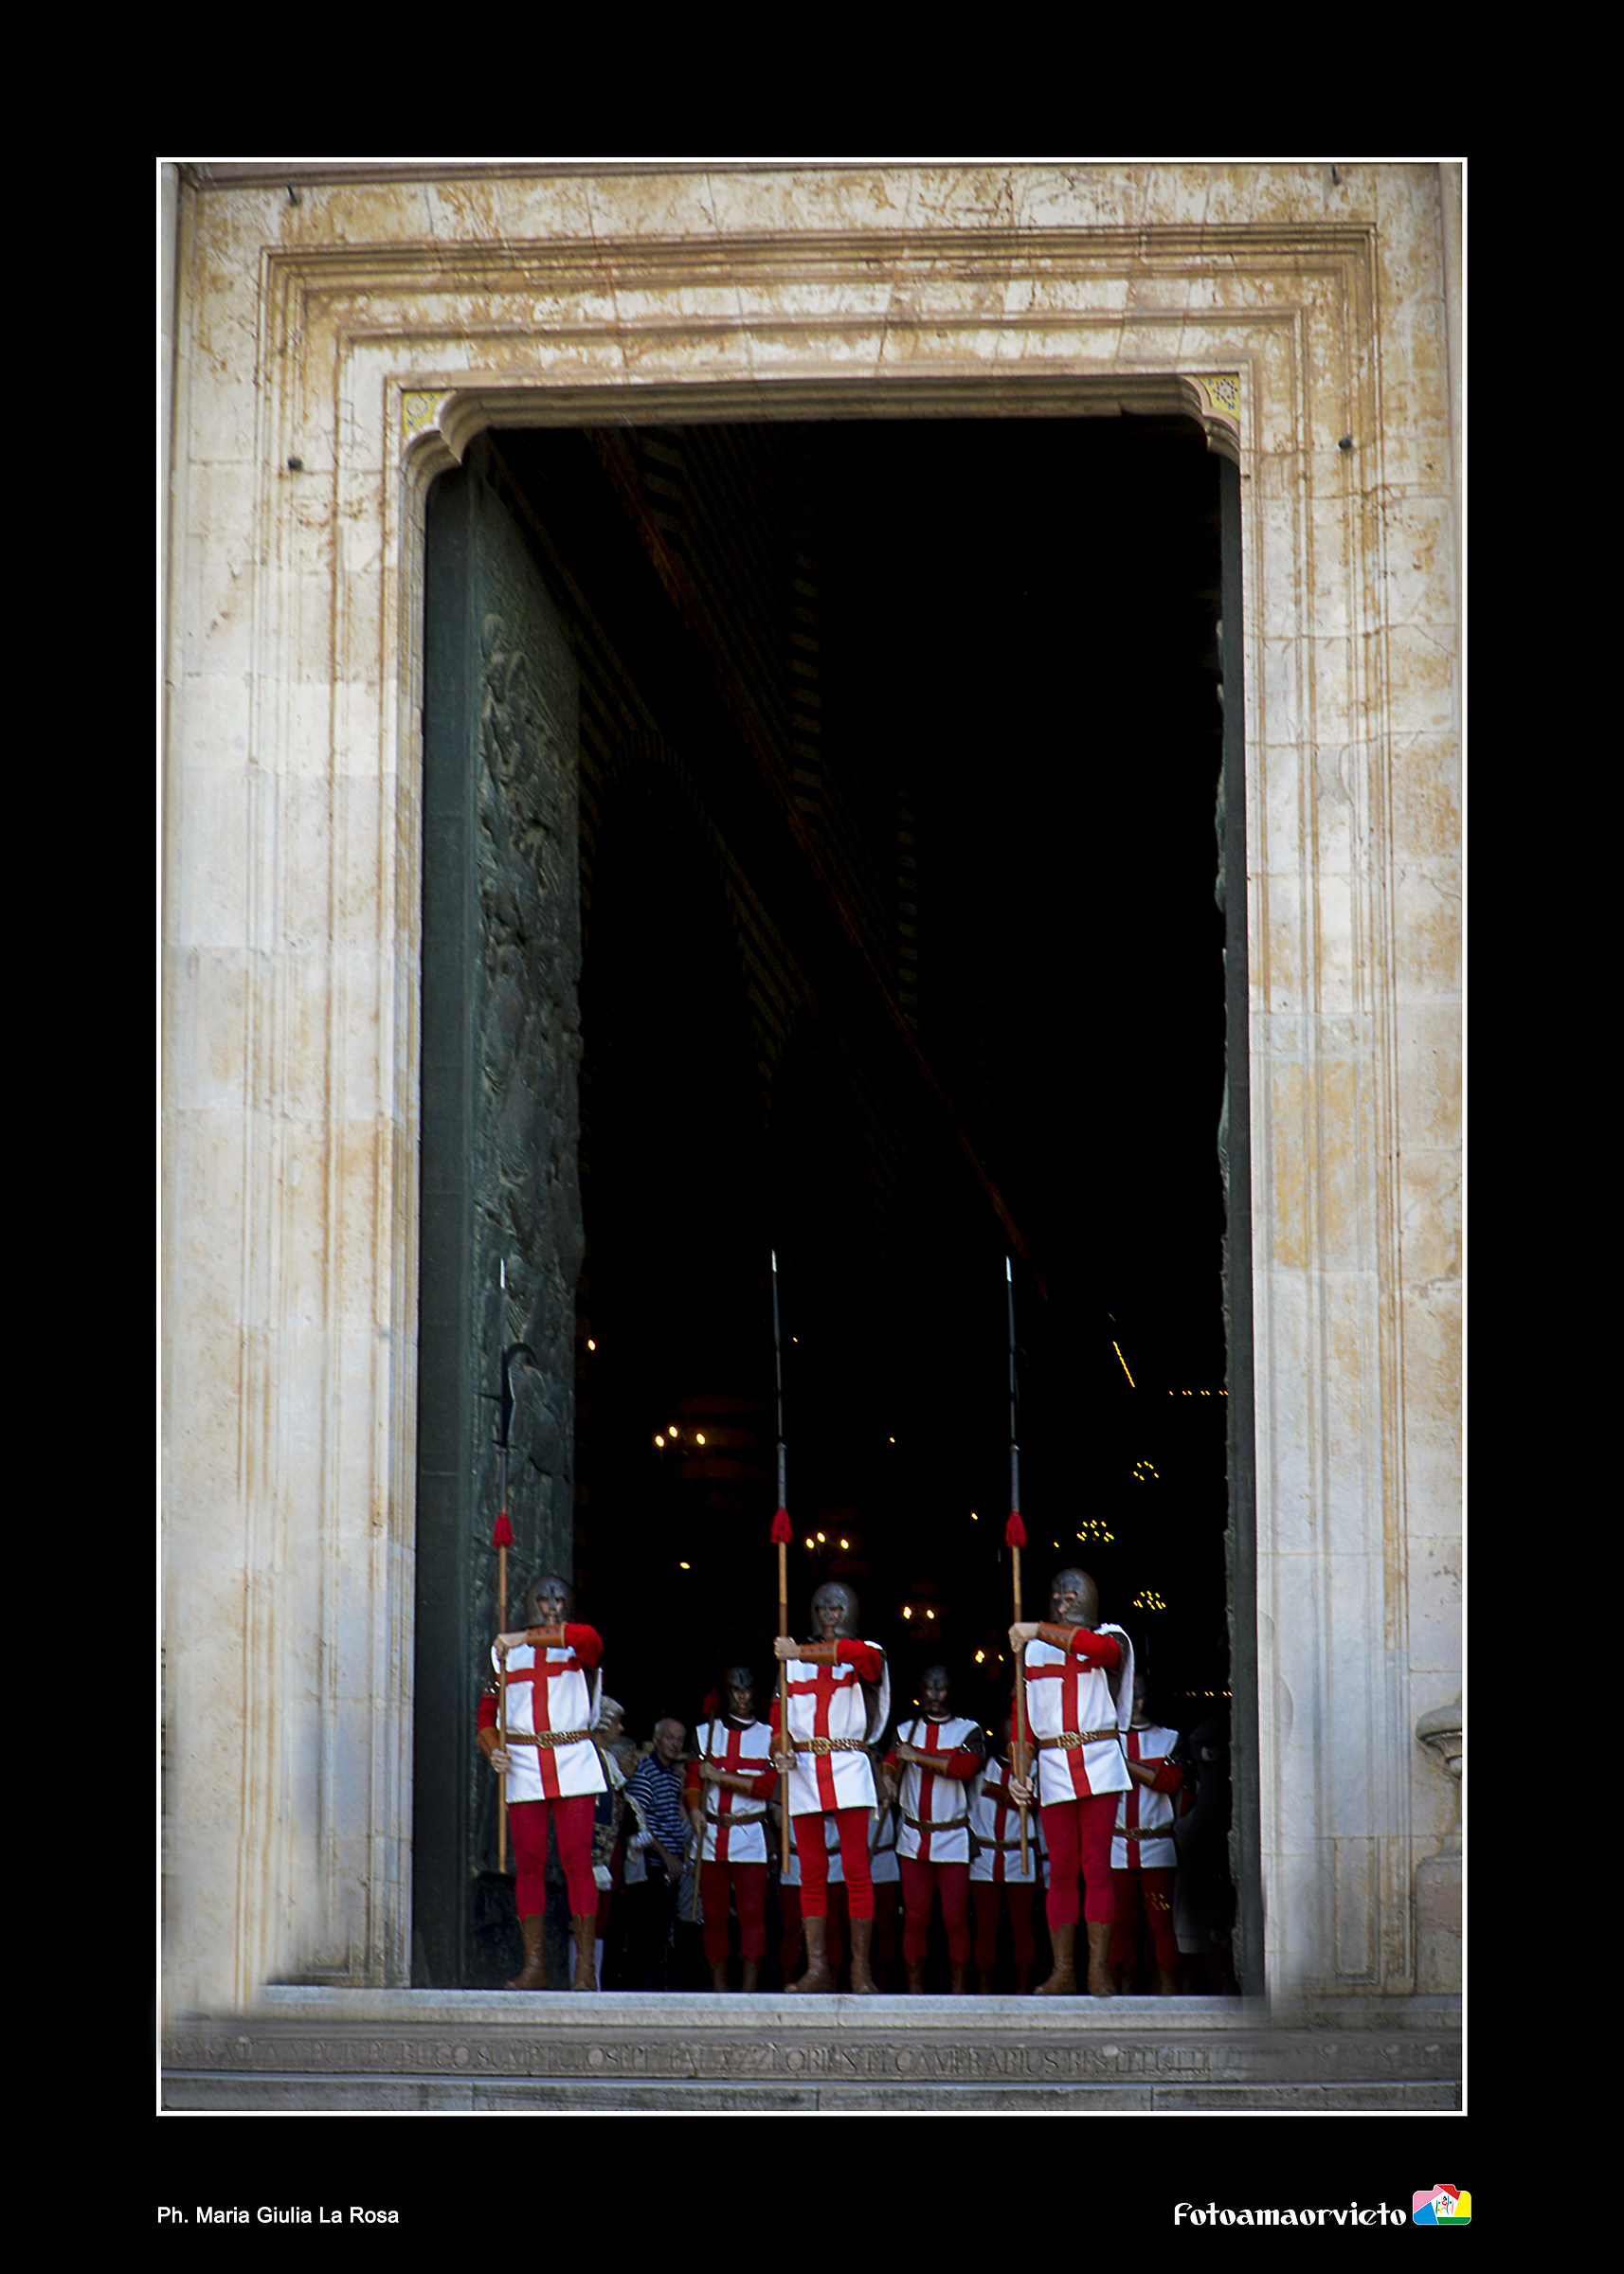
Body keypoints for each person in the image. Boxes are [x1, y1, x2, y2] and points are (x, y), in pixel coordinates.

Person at [478, 1572, 606, 1992]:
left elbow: (589, 1638)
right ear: (530, 1603)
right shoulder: (503, 1654)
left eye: (558, 1600)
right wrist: (492, 1747)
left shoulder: (578, 1647)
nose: (551, 1606)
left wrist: (524, 1639)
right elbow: (486, 1714)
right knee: (528, 1865)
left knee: (577, 1862)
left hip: (572, 1759)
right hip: (524, 1763)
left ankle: (584, 1969)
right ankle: (535, 1966)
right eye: (543, 1600)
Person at [1008, 1567, 1134, 1996]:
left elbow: (1100, 1652)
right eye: (1056, 1596)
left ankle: (1097, 1970)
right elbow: (1021, 1719)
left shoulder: (1112, 1637)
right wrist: (1018, 1774)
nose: (1062, 1603)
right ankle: (1063, 1970)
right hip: (1054, 1765)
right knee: (1060, 1872)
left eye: (1071, 1596)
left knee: (1096, 1868)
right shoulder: (1033, 1651)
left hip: (1098, 1760)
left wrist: (1036, 1629)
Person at [771, 1579, 890, 1994]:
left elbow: (863, 1660)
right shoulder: (794, 1662)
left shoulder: (866, 1653)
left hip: (848, 1763)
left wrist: (796, 1652)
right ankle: (818, 1968)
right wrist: (779, 1748)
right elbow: (778, 1716)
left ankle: (860, 1970)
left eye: (836, 1609)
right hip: (804, 1766)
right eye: (822, 1608)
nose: (828, 1615)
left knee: (857, 1869)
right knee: (812, 1873)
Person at [883, 1664, 984, 1992]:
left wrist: (917, 1756)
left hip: (952, 1836)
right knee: (914, 1917)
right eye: (929, 1688)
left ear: (951, 1691)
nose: (935, 1695)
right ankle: (914, 1993)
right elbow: (890, 1762)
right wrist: (888, 1779)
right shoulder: (904, 1730)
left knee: (955, 1919)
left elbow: (964, 1768)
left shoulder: (969, 1731)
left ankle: (958, 1994)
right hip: (913, 1836)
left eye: (941, 1689)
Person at [686, 1666, 776, 1992]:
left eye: (746, 1689)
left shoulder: (770, 1736)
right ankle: (721, 1993)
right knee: (714, 1916)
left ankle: (749, 1993)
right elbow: (693, 1779)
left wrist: (720, 1776)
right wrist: (695, 1808)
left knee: (753, 1915)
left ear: (755, 1692)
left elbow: (767, 1788)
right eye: (735, 1690)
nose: (741, 1696)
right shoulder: (704, 1733)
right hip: (711, 1836)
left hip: (749, 1836)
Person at [1109, 1671, 1186, 1994]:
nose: (1136, 1702)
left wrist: (1124, 1764)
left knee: (1160, 1922)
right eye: (1131, 1695)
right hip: (1115, 1847)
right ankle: (1119, 1992)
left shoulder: (1170, 1739)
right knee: (1120, 1926)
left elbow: (1171, 1781)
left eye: (1141, 1695)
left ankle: (1168, 1991)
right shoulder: (1104, 1739)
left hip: (1156, 1848)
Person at [968, 1711, 1046, 1994]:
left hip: (1019, 1856)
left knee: (1022, 1927)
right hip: (985, 1857)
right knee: (985, 1928)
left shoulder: (1036, 1770)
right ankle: (984, 1991)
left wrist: (996, 1791)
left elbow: (1034, 1804)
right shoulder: (979, 1768)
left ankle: (1024, 1990)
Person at [622, 1715, 693, 1989]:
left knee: (663, 1930)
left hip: (672, 1865)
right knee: (648, 1934)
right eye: (669, 1737)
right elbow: (640, 1822)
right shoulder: (645, 1773)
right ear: (656, 1740)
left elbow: (673, 1821)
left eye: (679, 1739)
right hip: (652, 1865)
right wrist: (667, 1857)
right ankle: (643, 1992)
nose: (674, 1744)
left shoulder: (672, 1778)